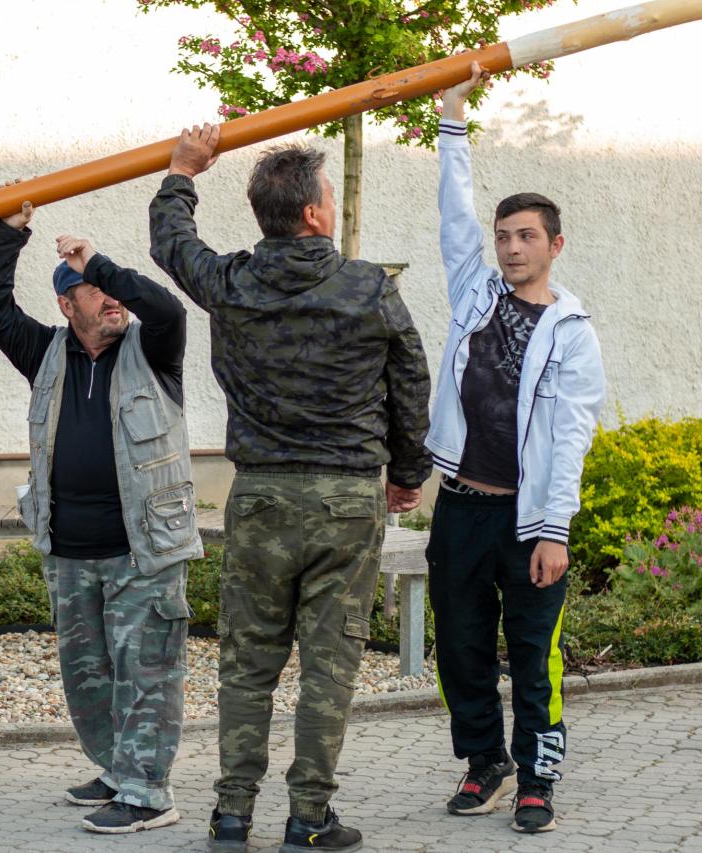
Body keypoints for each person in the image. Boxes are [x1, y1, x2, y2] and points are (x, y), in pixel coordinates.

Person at [149, 125, 433, 853]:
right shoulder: (369, 287)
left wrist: (182, 172)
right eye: (329, 196)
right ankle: (309, 816)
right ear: (311, 213)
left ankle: (231, 814)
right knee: (329, 665)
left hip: (263, 495)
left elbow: (171, 243)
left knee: (248, 663)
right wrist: (407, 473)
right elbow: (410, 381)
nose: (333, 205)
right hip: (347, 495)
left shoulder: (232, 283)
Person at [0, 192, 200, 834]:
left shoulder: (155, 349)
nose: (110, 298)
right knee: (88, 677)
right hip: (70, 553)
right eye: (93, 291)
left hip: (143, 551)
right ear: (66, 306)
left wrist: (99, 264)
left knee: (146, 672)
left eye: (110, 287)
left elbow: (167, 306)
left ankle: (148, 792)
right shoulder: (45, 351)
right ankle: (118, 769)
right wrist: (8, 233)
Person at [427, 63, 605, 834]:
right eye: (502, 236)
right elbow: (452, 213)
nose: (510, 247)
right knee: (461, 646)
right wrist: (452, 119)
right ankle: (484, 762)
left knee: (535, 655)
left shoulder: (573, 332)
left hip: (528, 521)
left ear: (555, 245)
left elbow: (571, 435)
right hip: (460, 508)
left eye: (526, 236)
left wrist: (554, 530)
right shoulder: (475, 292)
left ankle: (538, 777)